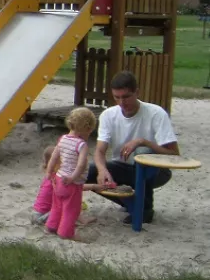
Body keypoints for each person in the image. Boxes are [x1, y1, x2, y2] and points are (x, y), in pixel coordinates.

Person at [86, 70, 179, 225]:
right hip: (123, 167)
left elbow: (174, 154)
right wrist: (102, 170)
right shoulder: (108, 115)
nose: (122, 102)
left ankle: (145, 210)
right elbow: (100, 151)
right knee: (89, 171)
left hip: (156, 170)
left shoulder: (156, 113)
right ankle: (132, 203)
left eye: (126, 96)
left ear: (137, 92)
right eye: (117, 97)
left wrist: (144, 142)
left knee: (142, 153)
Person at [44, 107, 98, 240]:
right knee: (71, 209)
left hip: (58, 178)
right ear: (87, 128)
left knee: (57, 205)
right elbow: (81, 165)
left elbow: (54, 157)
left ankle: (51, 226)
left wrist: (49, 172)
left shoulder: (62, 139)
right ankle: (65, 233)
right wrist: (73, 177)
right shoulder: (81, 145)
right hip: (72, 183)